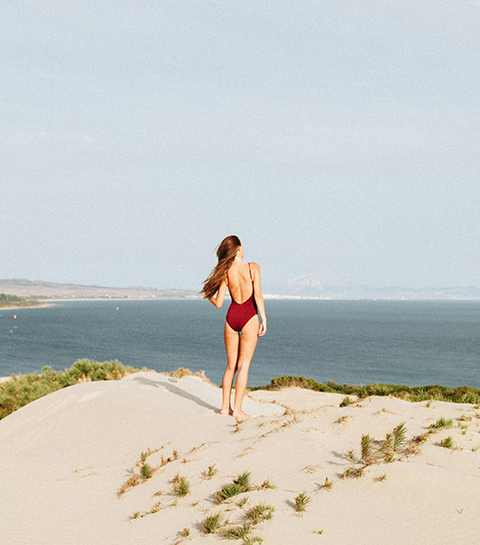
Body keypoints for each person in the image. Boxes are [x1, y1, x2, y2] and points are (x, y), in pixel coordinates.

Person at [201, 235, 267, 419]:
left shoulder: (225, 272)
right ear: (238, 248)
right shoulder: (253, 267)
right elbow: (258, 296)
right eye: (242, 246)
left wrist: (209, 295)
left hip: (231, 317)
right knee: (243, 366)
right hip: (248, 317)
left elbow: (219, 303)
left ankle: (224, 407)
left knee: (231, 366)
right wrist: (264, 319)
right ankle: (237, 410)